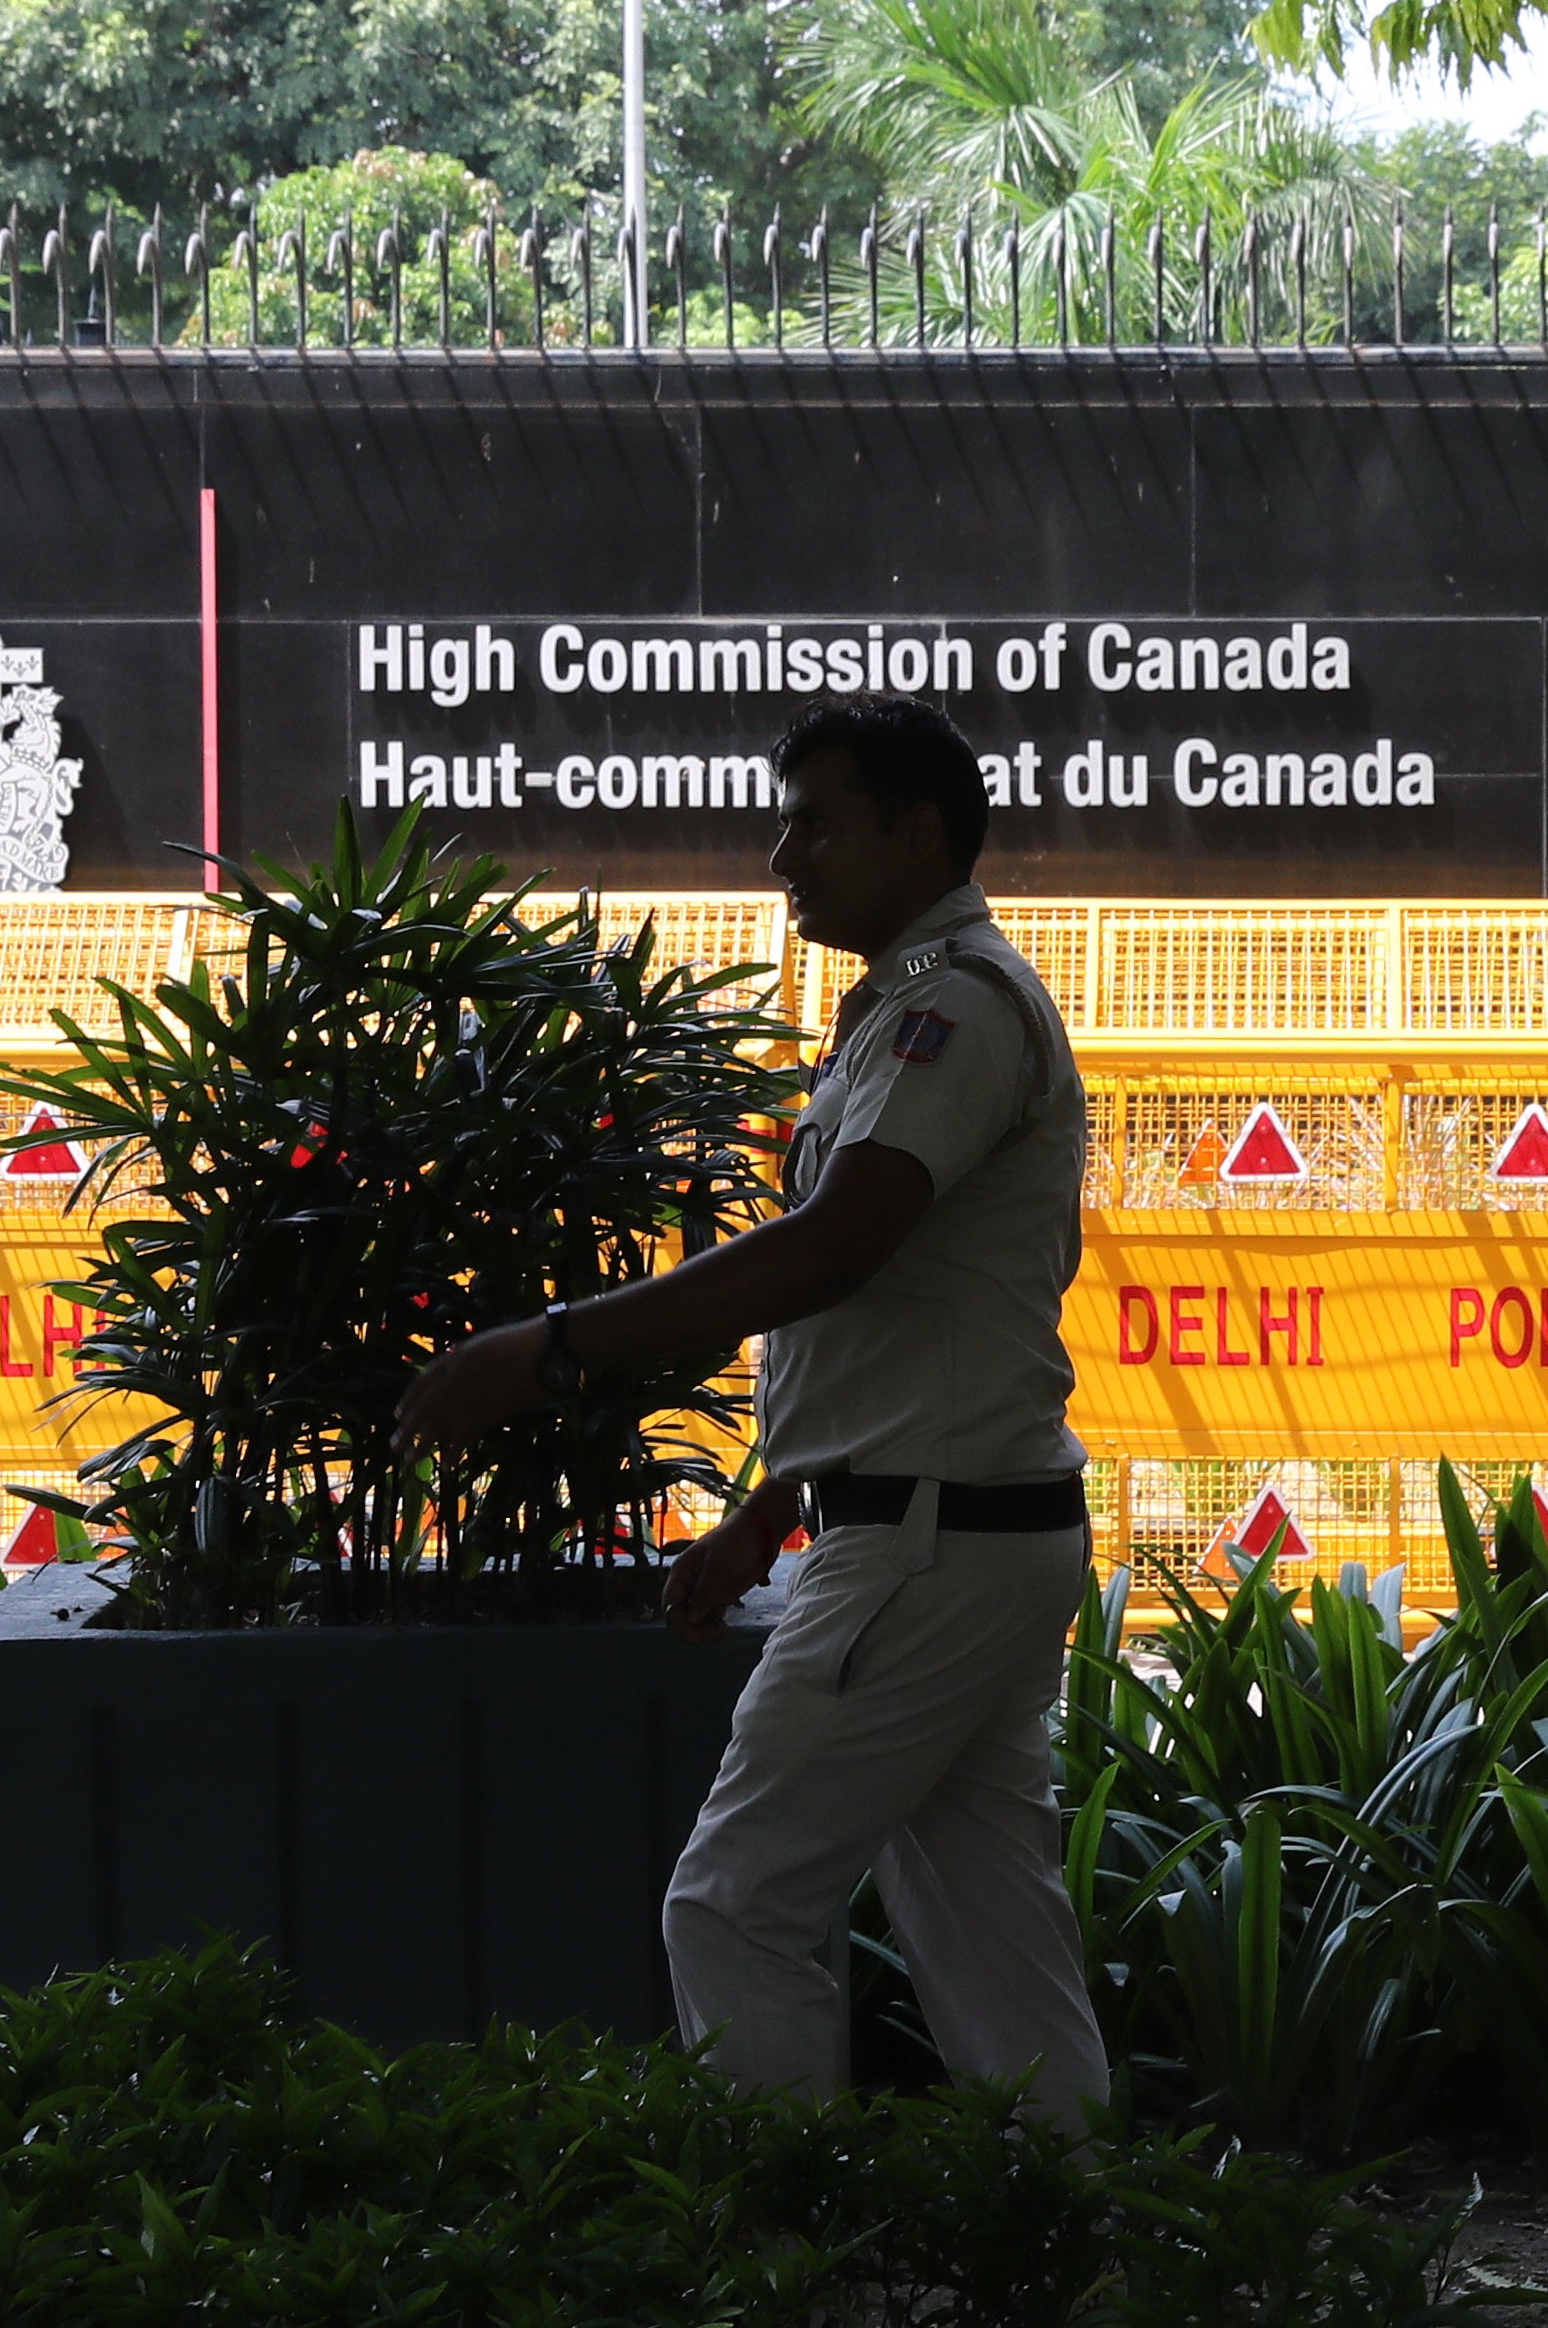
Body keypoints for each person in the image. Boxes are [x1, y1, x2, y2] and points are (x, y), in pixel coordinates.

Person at [394, 696, 1108, 2129]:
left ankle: (773, 2245)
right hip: (963, 1535)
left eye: (817, 824)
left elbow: (842, 1243)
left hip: (923, 1555)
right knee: (994, 1959)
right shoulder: (916, 1005)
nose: (784, 856)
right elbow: (914, 1317)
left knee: (733, 1906)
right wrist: (778, 1502)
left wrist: (550, 1346)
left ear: (918, 832)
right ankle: (1084, 2247)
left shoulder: (950, 1008)